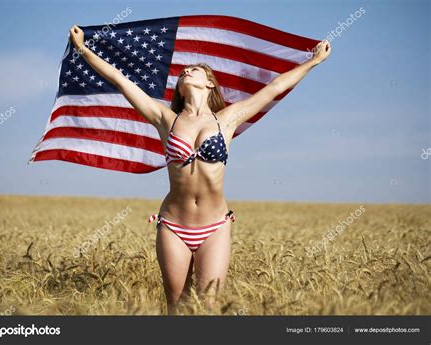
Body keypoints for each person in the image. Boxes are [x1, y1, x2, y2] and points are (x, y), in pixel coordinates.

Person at [69, 25, 331, 314]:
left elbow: (274, 88)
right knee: (177, 306)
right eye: (183, 72)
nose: (186, 71)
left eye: (195, 69)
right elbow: (120, 80)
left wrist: (313, 62)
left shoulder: (227, 120)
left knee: (207, 307)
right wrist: (82, 49)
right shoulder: (165, 119)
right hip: (173, 225)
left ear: (210, 84)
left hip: (215, 226)